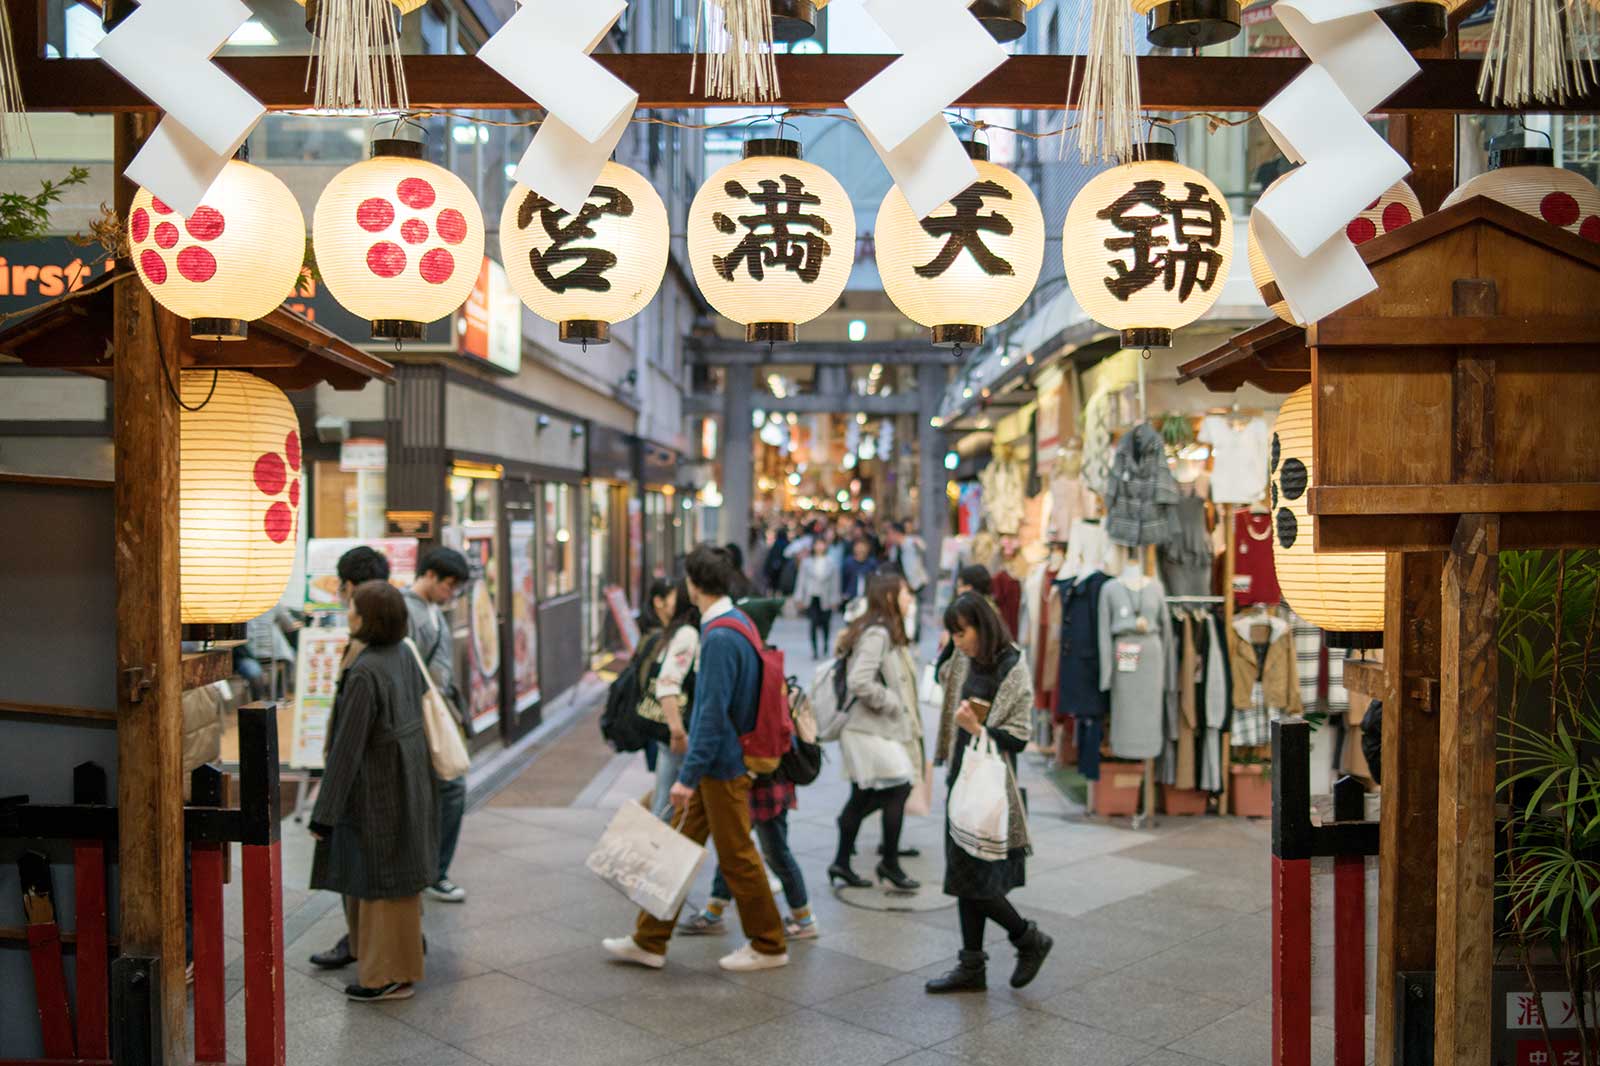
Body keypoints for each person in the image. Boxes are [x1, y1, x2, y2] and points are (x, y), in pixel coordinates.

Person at [604, 545, 788, 973]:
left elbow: (711, 713)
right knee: (678, 846)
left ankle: (769, 943)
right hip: (723, 762)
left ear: (692, 584)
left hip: (721, 766)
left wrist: (688, 775)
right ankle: (649, 939)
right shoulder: (736, 621)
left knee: (738, 857)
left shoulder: (720, 635)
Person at [308, 581, 439, 1003]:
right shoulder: (402, 655)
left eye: (354, 609)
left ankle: (387, 976)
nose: (349, 614)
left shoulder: (366, 670)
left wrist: (322, 814)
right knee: (398, 879)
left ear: (368, 619)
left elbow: (347, 749)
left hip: (376, 788)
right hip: (408, 781)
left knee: (379, 882)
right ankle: (392, 967)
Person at [925, 592, 1053, 994]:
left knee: (976, 879)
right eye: (952, 633)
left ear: (982, 626)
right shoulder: (963, 658)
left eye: (961, 632)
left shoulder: (1012, 666)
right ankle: (972, 965)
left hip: (992, 784)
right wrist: (948, 652)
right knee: (963, 873)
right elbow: (940, 680)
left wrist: (979, 729)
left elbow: (1019, 736)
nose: (957, 640)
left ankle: (1027, 938)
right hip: (962, 776)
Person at [309, 546, 394, 972]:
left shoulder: (366, 654)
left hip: (365, 781)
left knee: (361, 865)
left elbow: (348, 740)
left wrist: (324, 808)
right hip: (383, 778)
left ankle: (369, 946)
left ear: (352, 588)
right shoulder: (390, 639)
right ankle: (369, 940)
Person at [829, 574, 924, 892]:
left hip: (871, 728)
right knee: (900, 785)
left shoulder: (884, 630)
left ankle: (842, 861)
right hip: (865, 728)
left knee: (865, 794)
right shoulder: (878, 633)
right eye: (905, 593)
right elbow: (859, 680)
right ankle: (890, 863)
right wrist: (891, 702)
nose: (910, 598)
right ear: (889, 597)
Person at [403, 547, 472, 904]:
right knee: (450, 789)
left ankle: (431, 870)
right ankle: (432, 872)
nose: (452, 594)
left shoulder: (433, 611)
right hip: (421, 717)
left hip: (436, 713)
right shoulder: (406, 609)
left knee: (448, 790)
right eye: (450, 586)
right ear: (430, 575)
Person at [677, 772, 818, 941]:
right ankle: (713, 912)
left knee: (775, 854)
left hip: (766, 789)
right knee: (733, 848)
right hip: (751, 787)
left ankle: (804, 920)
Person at [642, 581, 700, 820]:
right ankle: (654, 853)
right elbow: (667, 685)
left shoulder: (675, 632)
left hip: (671, 731)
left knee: (664, 802)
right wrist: (678, 732)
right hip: (679, 732)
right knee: (668, 805)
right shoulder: (686, 633)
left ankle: (652, 851)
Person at [793, 535, 841, 659]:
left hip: (826, 597)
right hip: (812, 596)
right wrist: (799, 598)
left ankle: (825, 646)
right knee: (813, 623)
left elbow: (835, 583)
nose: (819, 547)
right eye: (817, 544)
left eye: (822, 544)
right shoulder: (807, 562)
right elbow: (801, 581)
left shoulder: (832, 562)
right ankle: (814, 650)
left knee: (826, 624)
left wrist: (835, 599)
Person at [840, 537, 878, 611]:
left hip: (867, 597)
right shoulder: (848, 562)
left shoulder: (872, 563)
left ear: (868, 549)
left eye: (863, 547)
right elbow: (843, 579)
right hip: (851, 596)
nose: (860, 550)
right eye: (858, 547)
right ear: (854, 548)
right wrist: (844, 593)